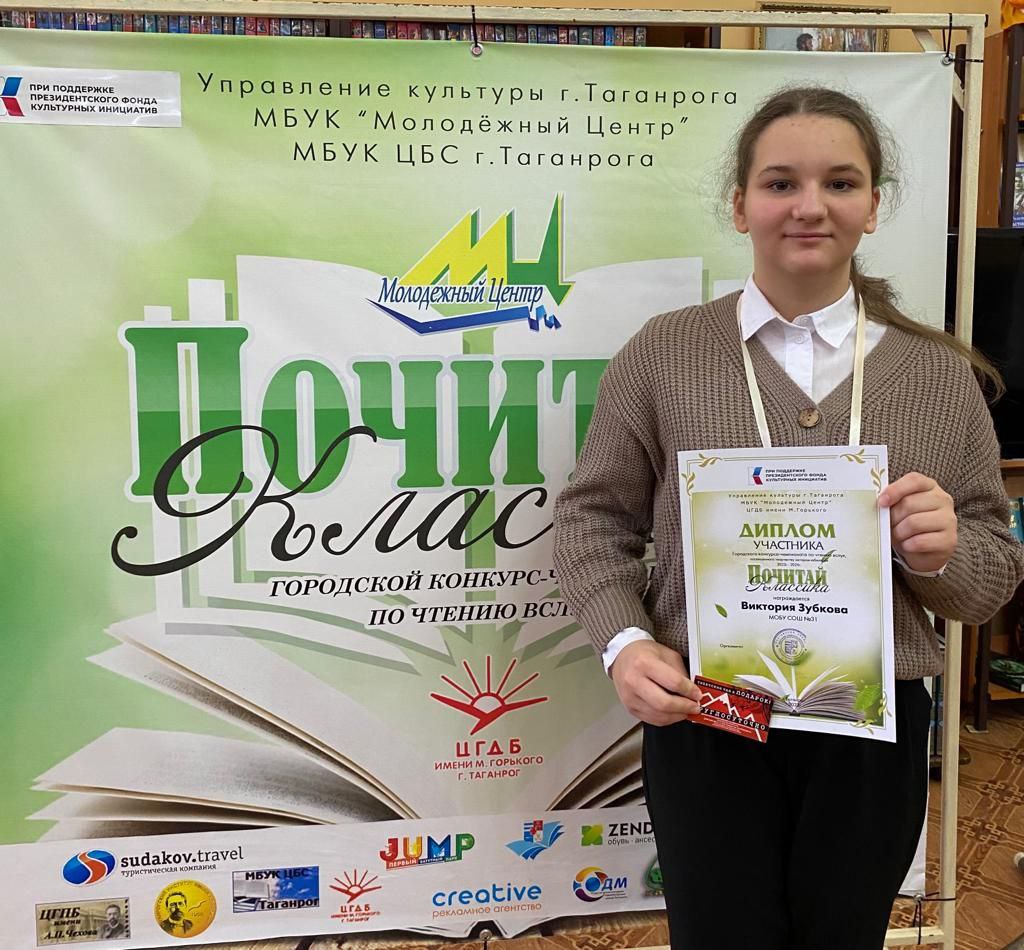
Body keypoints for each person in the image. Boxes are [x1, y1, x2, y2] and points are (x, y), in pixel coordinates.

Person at [553, 86, 1024, 950]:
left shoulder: (937, 376)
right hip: (710, 715)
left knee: (842, 936)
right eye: (781, 183)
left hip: (870, 733)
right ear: (741, 206)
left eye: (840, 183)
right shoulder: (663, 353)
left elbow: (989, 576)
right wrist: (625, 643)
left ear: (873, 206)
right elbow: (592, 520)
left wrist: (943, 553)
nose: (810, 206)